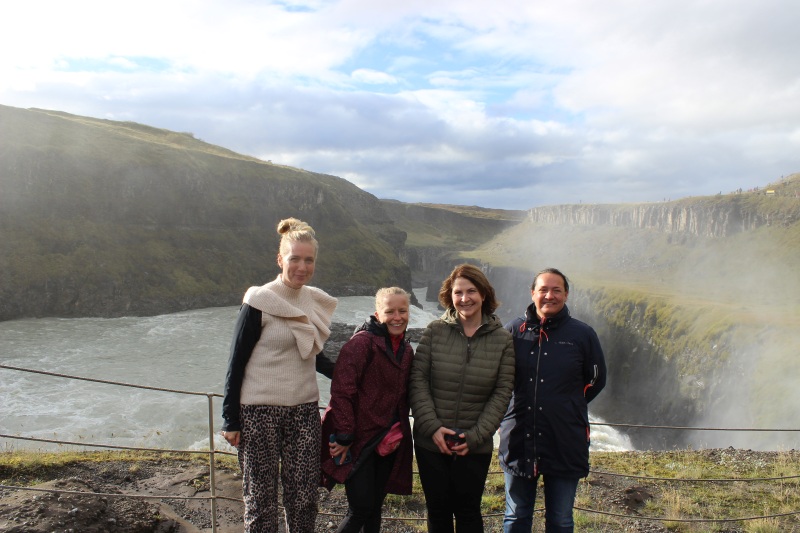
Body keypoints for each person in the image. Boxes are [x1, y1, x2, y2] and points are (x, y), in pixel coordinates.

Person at [221, 217, 338, 533]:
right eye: (295, 258)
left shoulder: (311, 299)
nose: (302, 266)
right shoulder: (260, 300)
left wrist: (354, 379)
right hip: (259, 413)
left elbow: (314, 356)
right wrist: (230, 419)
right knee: (261, 501)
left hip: (304, 411)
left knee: (303, 499)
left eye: (309, 260)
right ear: (280, 259)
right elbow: (237, 362)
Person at [499, 268, 607, 533]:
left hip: (564, 439)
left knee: (560, 519)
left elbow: (596, 380)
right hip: (519, 440)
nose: (550, 295)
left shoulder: (583, 335)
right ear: (532, 293)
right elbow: (498, 380)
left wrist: (567, 406)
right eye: (543, 290)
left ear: (566, 294)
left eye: (557, 290)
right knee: (516, 516)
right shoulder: (513, 331)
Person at [409, 263, 515, 533]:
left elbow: (502, 392)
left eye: (471, 291)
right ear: (449, 295)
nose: (464, 299)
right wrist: (432, 428)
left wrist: (477, 435)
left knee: (468, 513)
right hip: (430, 443)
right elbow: (418, 380)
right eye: (458, 292)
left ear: (484, 294)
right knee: (438, 511)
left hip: (473, 445)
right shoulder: (434, 331)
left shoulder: (502, 340)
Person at [320, 287, 415, 533]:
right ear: (377, 313)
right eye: (390, 311)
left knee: (373, 509)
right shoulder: (361, 344)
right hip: (359, 440)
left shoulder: (406, 350)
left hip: (387, 442)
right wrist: (345, 435)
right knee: (360, 508)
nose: (397, 317)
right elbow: (342, 391)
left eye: (402, 311)